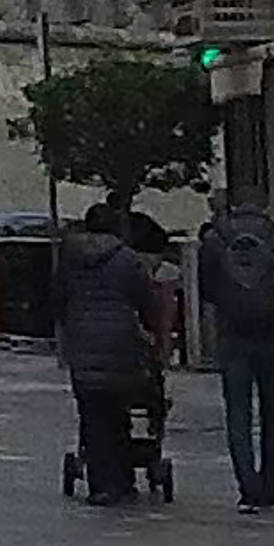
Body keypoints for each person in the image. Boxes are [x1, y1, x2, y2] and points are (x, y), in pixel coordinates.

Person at [192, 181, 274, 513]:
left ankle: (247, 489)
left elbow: (207, 290)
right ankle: (270, 485)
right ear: (265, 206)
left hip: (233, 335)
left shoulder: (214, 241)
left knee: (238, 414)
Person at [55, 199, 168, 493]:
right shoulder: (127, 259)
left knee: (91, 413)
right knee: (118, 409)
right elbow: (147, 303)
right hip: (121, 344)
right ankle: (121, 477)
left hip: (82, 342)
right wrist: (154, 333)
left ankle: (100, 483)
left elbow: (58, 296)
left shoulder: (70, 257)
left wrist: (65, 331)